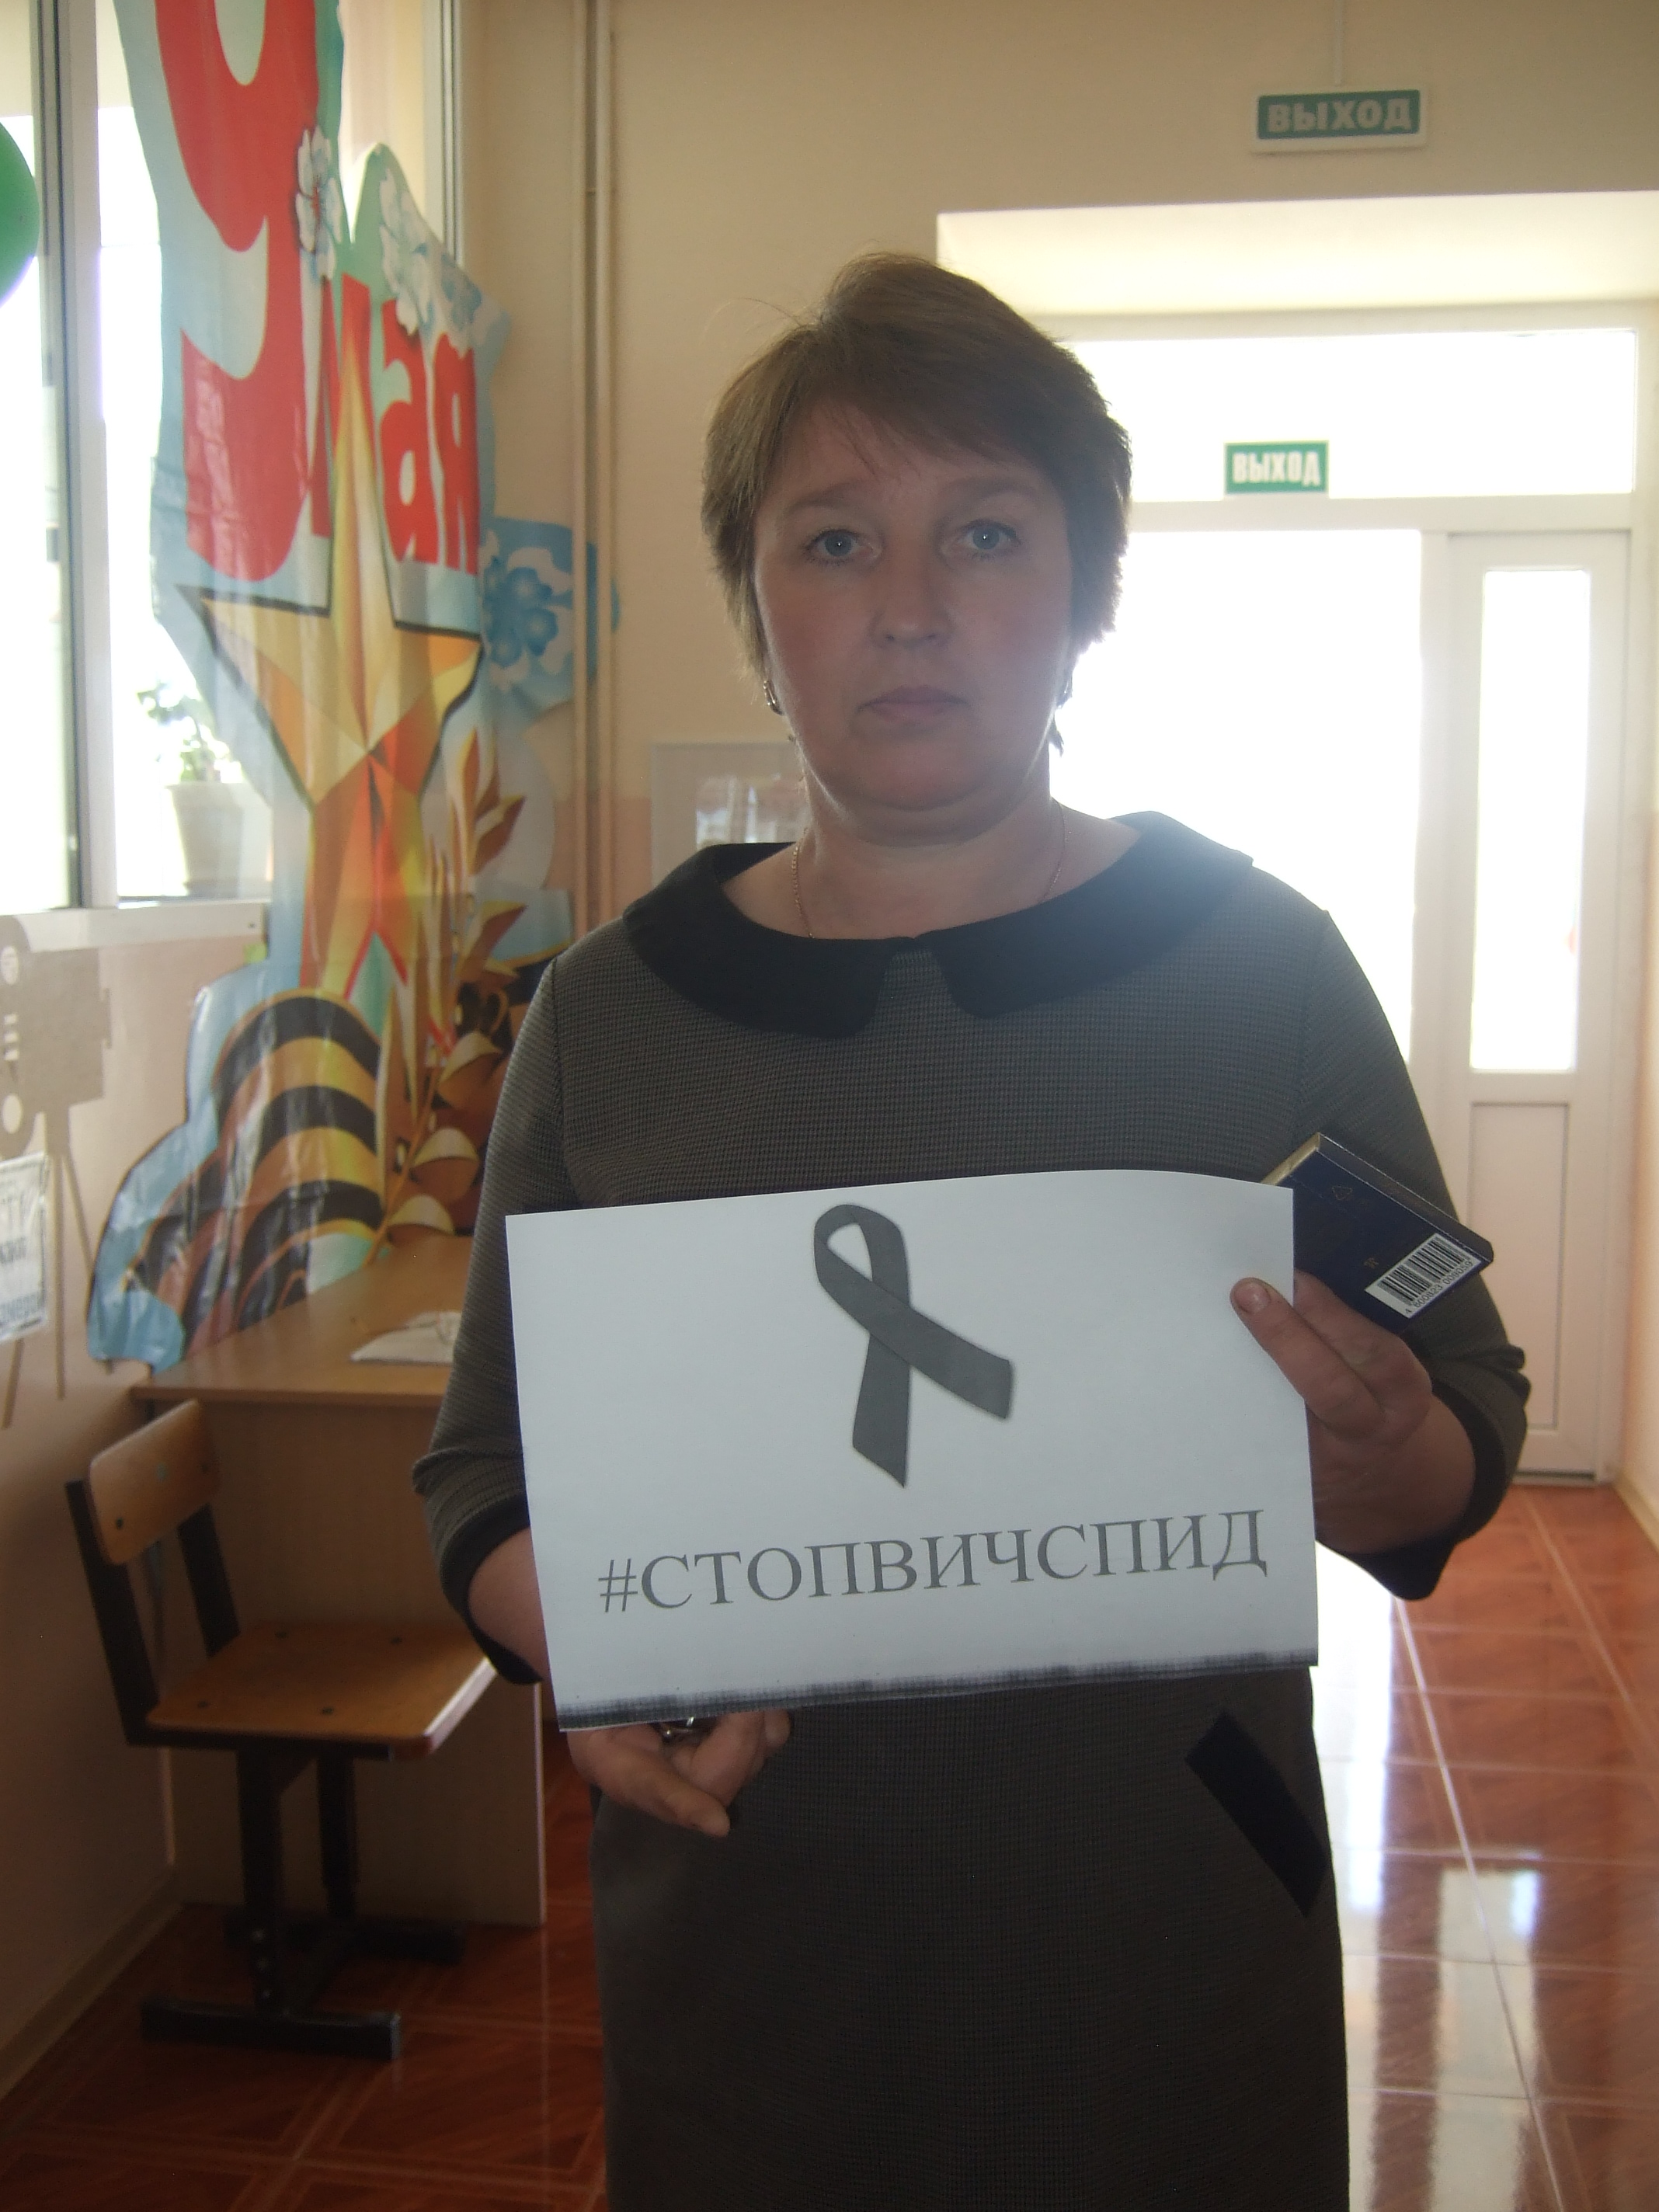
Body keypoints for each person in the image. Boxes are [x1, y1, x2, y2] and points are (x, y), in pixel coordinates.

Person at [414, 252, 1527, 2210]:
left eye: (988, 532)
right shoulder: (611, 1016)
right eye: (836, 539)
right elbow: (483, 1475)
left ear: (1089, 599)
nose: (911, 604)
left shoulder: (1262, 968)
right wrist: (604, 1648)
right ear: (759, 609)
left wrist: (1383, 1452)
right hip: (756, 1964)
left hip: (1168, 1962)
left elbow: (1461, 1417)